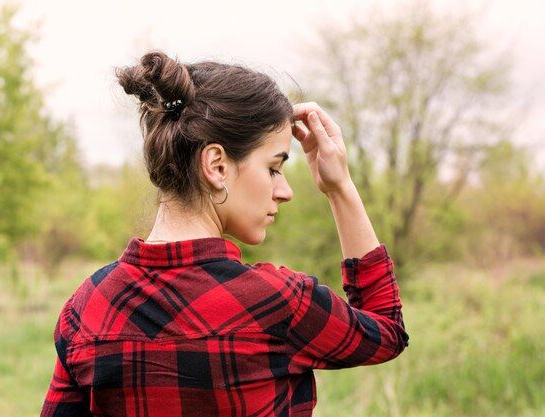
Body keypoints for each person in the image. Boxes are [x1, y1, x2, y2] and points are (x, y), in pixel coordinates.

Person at [40, 51, 409, 417]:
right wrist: (339, 186)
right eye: (273, 167)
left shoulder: (86, 309)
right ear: (216, 166)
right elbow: (387, 330)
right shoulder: (279, 303)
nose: (285, 191)